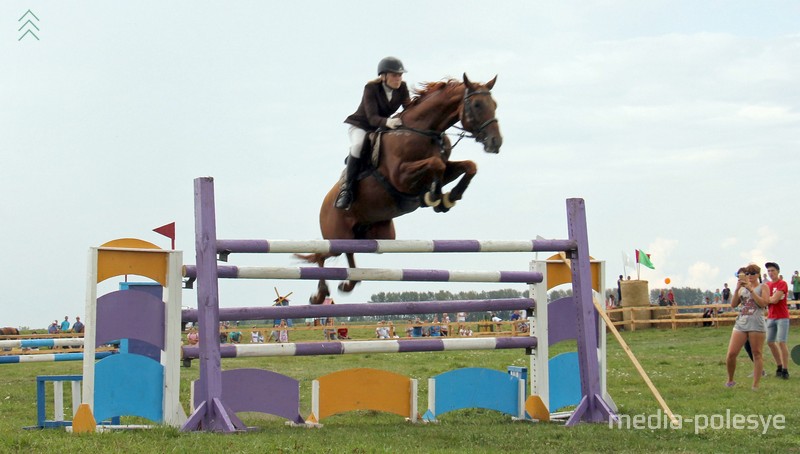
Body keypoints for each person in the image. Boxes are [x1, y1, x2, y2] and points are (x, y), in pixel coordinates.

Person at [335, 56, 412, 210]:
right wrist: (388, 122)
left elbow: (408, 107)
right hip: (361, 125)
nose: (398, 78)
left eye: (400, 75)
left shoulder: (402, 87)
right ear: (383, 76)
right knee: (358, 145)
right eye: (394, 75)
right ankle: (347, 190)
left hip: (380, 128)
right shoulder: (370, 88)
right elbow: (371, 117)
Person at [725, 264, 769, 389]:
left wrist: (751, 290)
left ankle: (755, 385)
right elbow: (733, 304)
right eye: (748, 273)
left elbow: (763, 303)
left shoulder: (763, 287)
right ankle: (730, 380)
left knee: (757, 353)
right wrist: (737, 289)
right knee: (731, 354)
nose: (750, 276)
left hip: (757, 324)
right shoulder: (741, 288)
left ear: (758, 275)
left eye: (753, 273)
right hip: (741, 323)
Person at [764, 262, 790, 379]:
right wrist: (770, 299)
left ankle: (785, 369)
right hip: (771, 316)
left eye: (773, 270)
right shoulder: (767, 285)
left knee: (781, 342)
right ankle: (779, 366)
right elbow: (766, 300)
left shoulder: (782, 283)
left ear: (778, 271)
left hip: (782, 316)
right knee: (770, 342)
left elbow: (773, 300)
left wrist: (768, 299)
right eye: (769, 271)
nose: (771, 273)